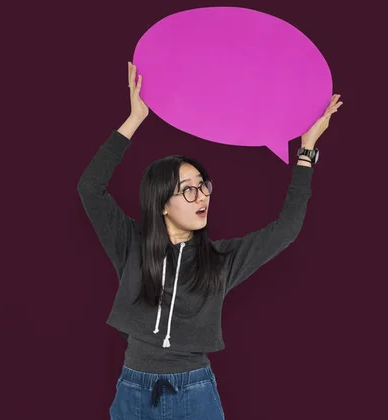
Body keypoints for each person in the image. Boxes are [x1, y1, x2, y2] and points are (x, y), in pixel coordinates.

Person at [77, 61, 342, 419]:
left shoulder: (221, 259)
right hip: (133, 390)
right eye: (188, 190)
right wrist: (135, 118)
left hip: (194, 392)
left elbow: (286, 230)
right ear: (162, 205)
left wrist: (306, 151)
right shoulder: (131, 245)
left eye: (203, 186)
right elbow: (90, 189)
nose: (202, 196)